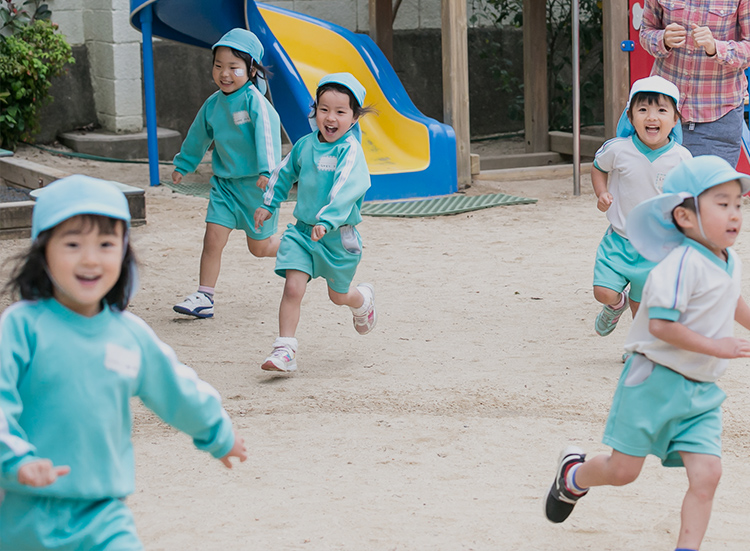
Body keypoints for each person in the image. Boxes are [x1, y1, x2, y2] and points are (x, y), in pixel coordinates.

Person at [0, 175, 248, 549]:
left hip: (103, 514)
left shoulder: (128, 335)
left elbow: (175, 389)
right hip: (25, 511)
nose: (90, 258)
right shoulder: (22, 326)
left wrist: (217, 432)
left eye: (106, 244)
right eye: (72, 244)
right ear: (43, 251)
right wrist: (15, 460)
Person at [545, 156, 750, 551]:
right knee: (623, 472)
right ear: (685, 217)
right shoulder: (677, 267)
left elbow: (733, 300)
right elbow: (661, 326)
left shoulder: (730, 260)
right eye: (721, 203)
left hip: (701, 391)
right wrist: (718, 346)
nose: (734, 214)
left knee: (708, 474)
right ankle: (573, 476)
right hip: (653, 380)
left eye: (738, 204)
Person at [253, 73, 377, 373]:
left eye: (340, 111)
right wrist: (269, 203)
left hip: (337, 237)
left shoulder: (350, 152)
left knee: (339, 296)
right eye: (323, 109)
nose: (330, 117)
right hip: (302, 233)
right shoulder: (306, 145)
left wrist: (327, 220)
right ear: (315, 110)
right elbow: (284, 173)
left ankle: (362, 301)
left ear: (354, 118)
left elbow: (347, 188)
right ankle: (284, 349)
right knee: (293, 288)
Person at [172, 28, 282, 319]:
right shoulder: (213, 104)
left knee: (259, 248)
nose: (225, 74)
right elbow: (198, 137)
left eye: (234, 67)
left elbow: (268, 136)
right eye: (218, 66)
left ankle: (301, 246)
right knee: (213, 238)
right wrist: (184, 164)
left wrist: (267, 172)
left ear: (251, 69)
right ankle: (204, 296)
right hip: (224, 186)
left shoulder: (254, 101)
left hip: (255, 188)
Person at [591, 75, 692, 338]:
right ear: (630, 116)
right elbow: (599, 168)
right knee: (603, 292)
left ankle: (638, 348)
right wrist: (602, 193)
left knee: (642, 308)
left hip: (656, 246)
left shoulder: (681, 157)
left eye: (661, 110)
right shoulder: (618, 150)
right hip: (619, 240)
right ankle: (615, 305)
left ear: (675, 119)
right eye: (643, 109)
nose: (652, 117)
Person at [640, 0, 750, 166]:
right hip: (663, 111)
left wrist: (716, 47)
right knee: (661, 189)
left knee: (710, 190)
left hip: (718, 114)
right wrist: (662, 39)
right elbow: (646, 31)